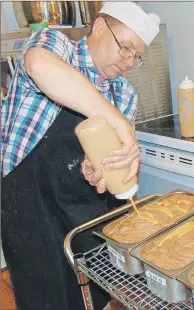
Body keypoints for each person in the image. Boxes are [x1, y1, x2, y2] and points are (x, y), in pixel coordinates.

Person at [1, 2, 160, 310]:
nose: (128, 61)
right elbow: (39, 65)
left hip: (84, 216)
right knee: (45, 298)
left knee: (93, 296)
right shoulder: (55, 45)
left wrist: (96, 170)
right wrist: (115, 120)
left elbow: (101, 164)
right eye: (125, 47)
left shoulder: (124, 94)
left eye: (136, 56)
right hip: (30, 207)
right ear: (99, 26)